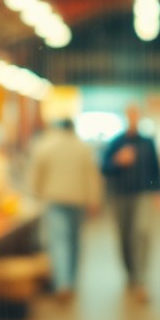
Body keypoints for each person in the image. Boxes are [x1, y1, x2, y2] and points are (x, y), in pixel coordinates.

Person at [26, 118, 103, 304]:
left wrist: (34, 194)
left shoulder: (46, 146)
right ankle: (72, 281)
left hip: (54, 198)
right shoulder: (84, 148)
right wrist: (94, 199)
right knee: (75, 241)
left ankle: (62, 284)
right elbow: (92, 175)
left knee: (59, 241)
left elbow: (36, 172)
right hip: (78, 199)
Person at [101, 104, 160, 302]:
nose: (133, 118)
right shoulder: (116, 143)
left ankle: (141, 280)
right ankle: (130, 274)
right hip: (120, 196)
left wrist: (158, 190)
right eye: (130, 115)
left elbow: (155, 169)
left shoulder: (148, 143)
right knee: (125, 237)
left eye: (136, 115)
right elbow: (104, 168)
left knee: (142, 233)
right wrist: (117, 161)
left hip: (143, 194)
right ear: (126, 117)